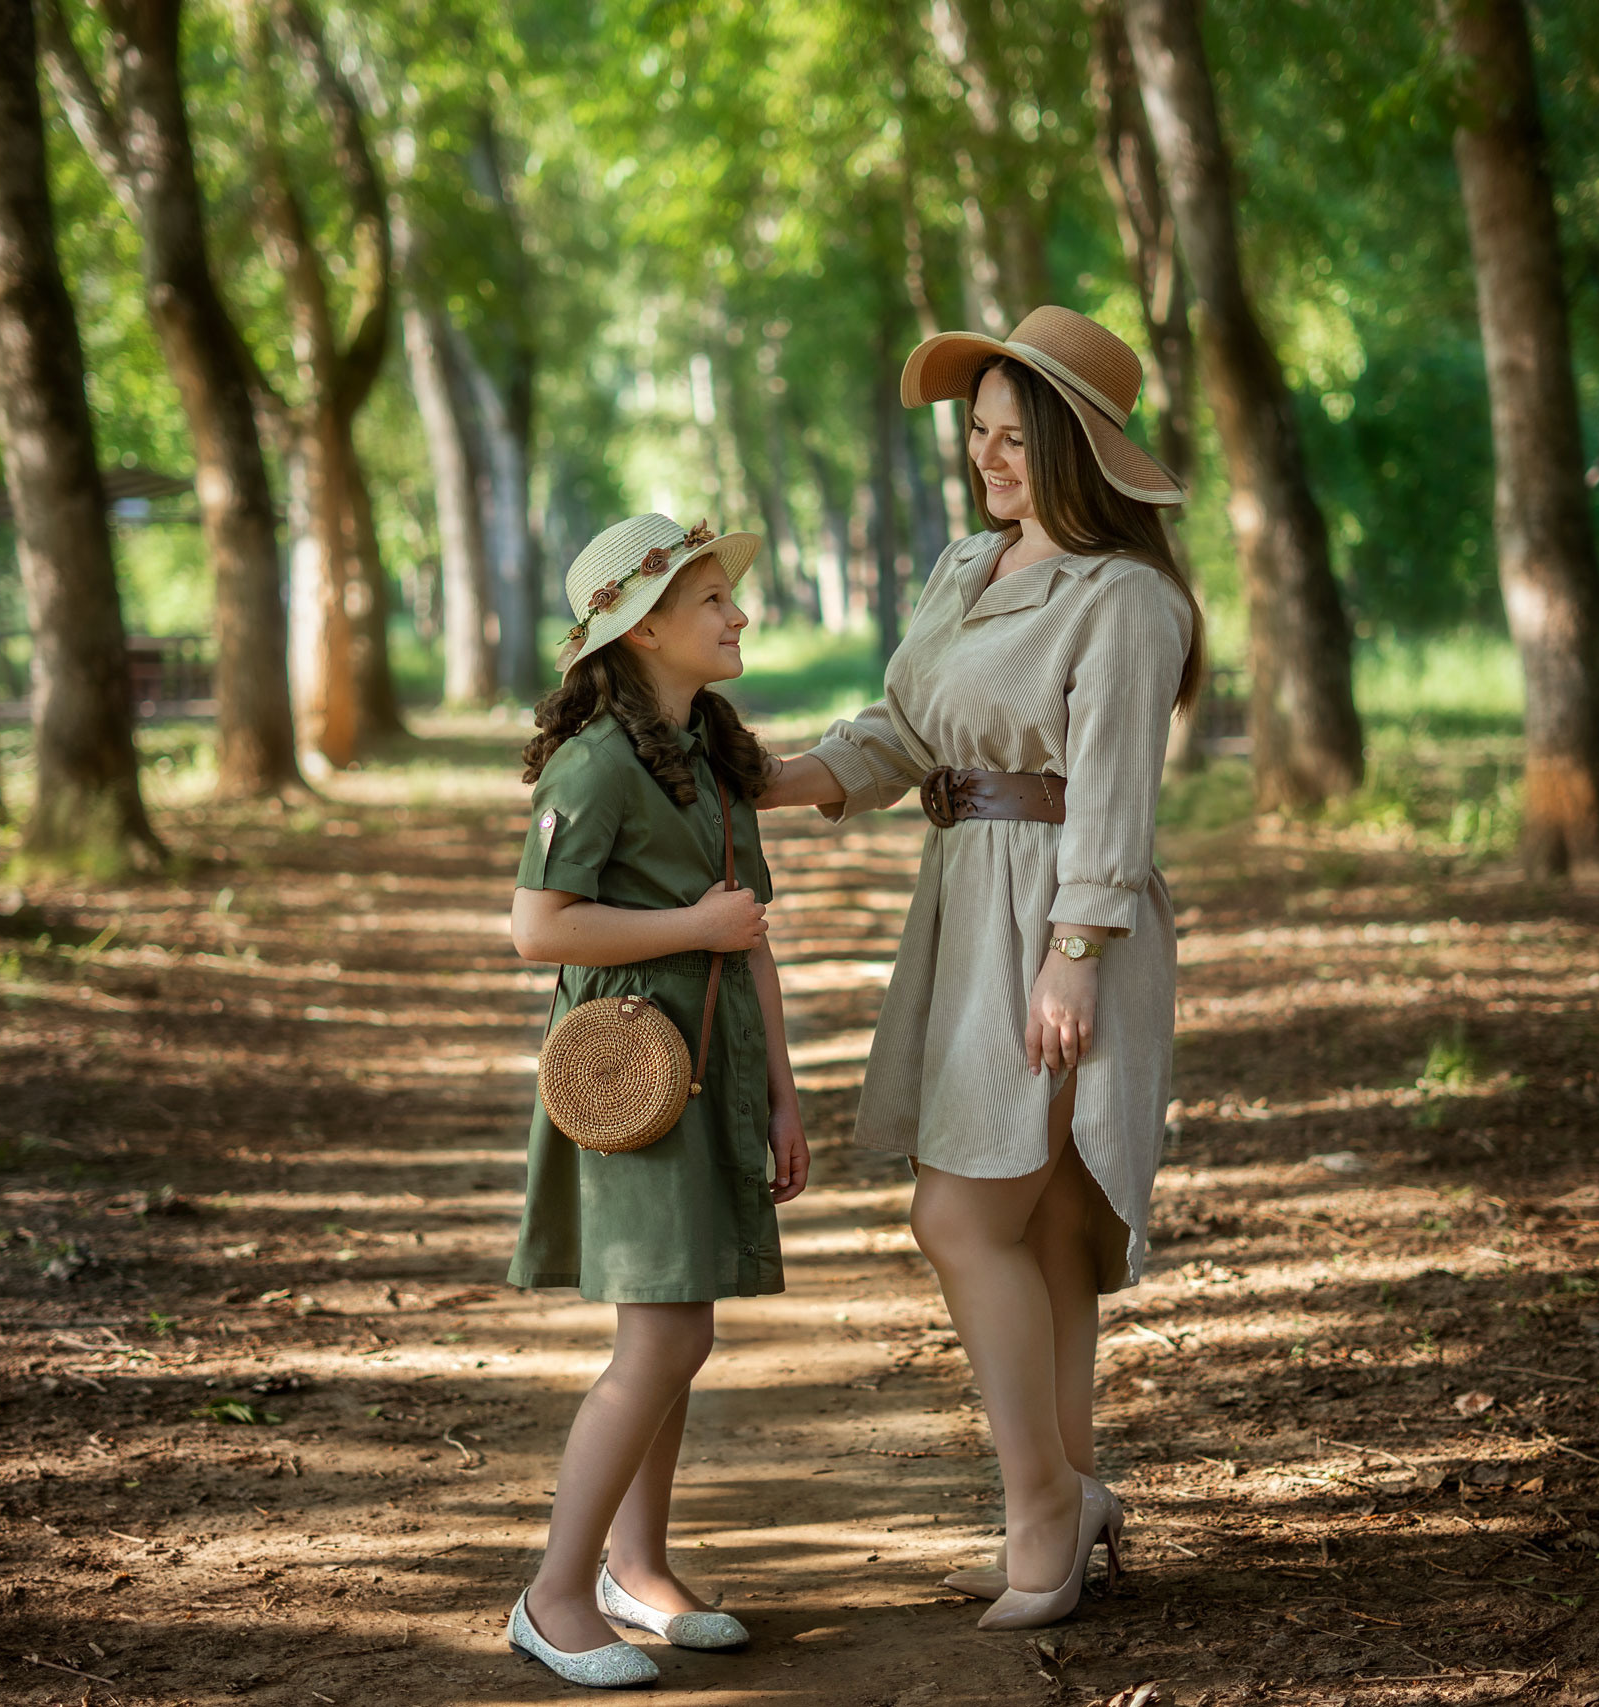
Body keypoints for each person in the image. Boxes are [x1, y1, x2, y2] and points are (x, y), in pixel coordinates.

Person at [758, 305, 1203, 1631]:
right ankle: (1064, 1496)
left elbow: (1115, 790)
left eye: (1012, 437)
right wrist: (767, 778)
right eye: (978, 433)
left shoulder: (1126, 599)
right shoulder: (970, 566)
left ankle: (1043, 1508)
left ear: (1074, 448)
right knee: (1044, 1227)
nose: (986, 458)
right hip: (965, 905)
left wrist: (1075, 953)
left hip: (1062, 920)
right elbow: (904, 729)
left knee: (960, 1218)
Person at [502, 513, 812, 1687]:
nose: (739, 615)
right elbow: (538, 929)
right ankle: (553, 1596)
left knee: (677, 1325)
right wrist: (690, 926)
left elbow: (751, 938)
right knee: (669, 1331)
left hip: (713, 1067)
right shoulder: (594, 767)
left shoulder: (710, 755)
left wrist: (782, 1098)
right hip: (628, 1079)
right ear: (640, 630)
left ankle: (637, 1568)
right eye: (712, 601)